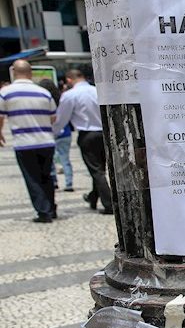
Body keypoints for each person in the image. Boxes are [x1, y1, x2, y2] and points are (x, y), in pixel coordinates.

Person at [0, 60, 57, 223]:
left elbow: (0, 116)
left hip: (24, 142)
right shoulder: (44, 93)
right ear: (30, 73)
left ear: (13, 72)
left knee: (32, 178)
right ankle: (51, 208)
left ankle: (44, 212)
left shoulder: (6, 92)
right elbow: (53, 117)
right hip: (46, 141)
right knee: (46, 176)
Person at [54, 67, 113, 214]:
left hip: (87, 135)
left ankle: (110, 204)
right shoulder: (97, 90)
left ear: (69, 80)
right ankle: (93, 197)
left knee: (96, 171)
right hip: (103, 133)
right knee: (99, 168)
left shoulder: (70, 95)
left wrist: (54, 133)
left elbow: (62, 119)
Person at [38, 79, 74, 193]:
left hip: (49, 132)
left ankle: (54, 181)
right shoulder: (62, 99)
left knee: (50, 159)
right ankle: (69, 183)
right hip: (65, 132)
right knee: (65, 158)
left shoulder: (43, 101)